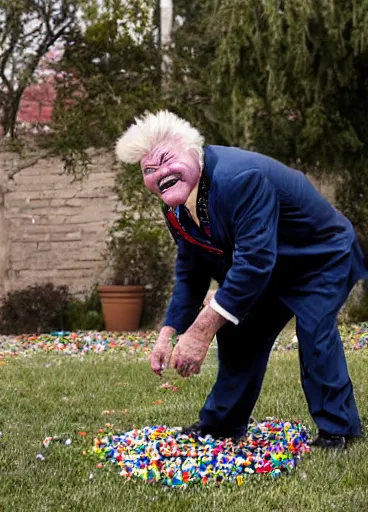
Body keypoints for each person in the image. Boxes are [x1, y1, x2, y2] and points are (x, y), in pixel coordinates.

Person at [115, 110, 366, 449]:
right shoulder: (174, 208)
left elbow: (253, 263)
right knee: (238, 333)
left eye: (166, 161)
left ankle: (340, 430)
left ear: (193, 151)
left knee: (314, 332)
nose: (161, 174)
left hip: (319, 257)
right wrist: (169, 332)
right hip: (269, 266)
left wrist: (200, 332)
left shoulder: (238, 179)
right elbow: (191, 269)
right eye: (149, 170)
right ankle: (222, 425)